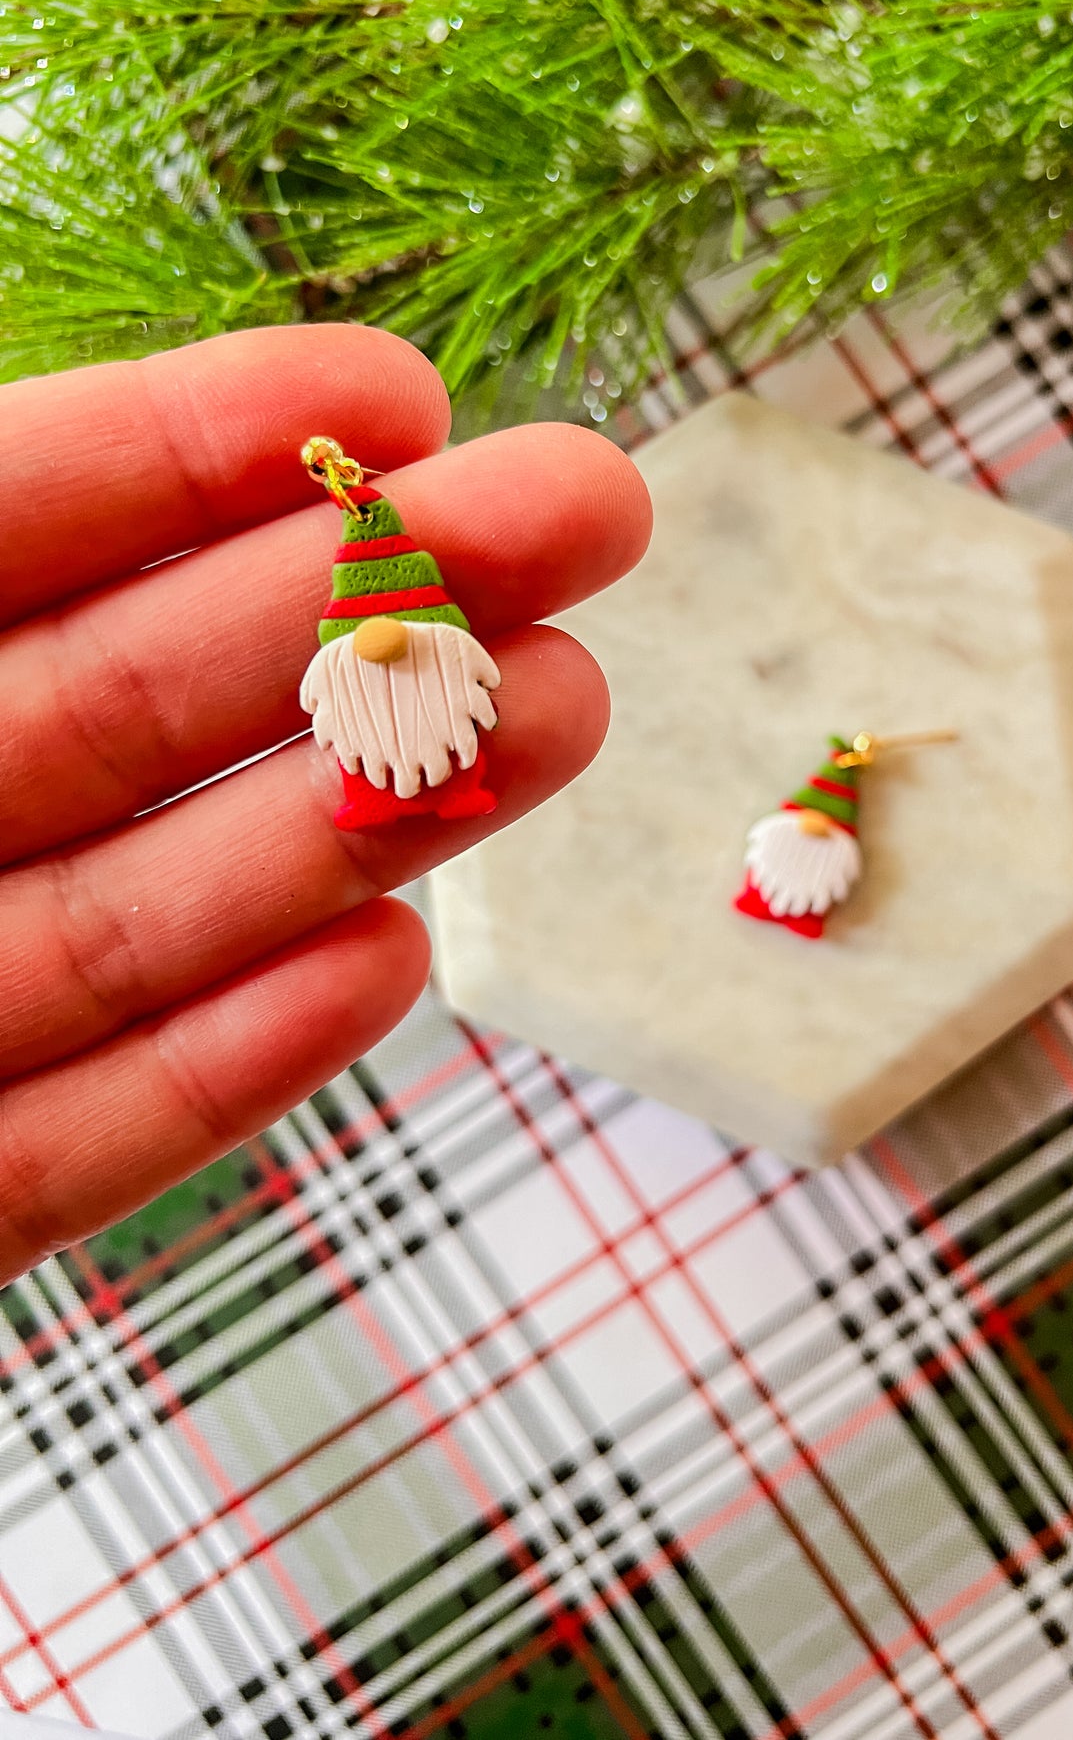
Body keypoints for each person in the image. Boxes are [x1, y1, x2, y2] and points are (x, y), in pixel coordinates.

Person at [0, 325, 652, 1284]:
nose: (385, 647)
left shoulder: (436, 664)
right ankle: (387, 799)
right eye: (372, 636)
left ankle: (429, 789)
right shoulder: (357, 678)